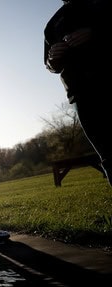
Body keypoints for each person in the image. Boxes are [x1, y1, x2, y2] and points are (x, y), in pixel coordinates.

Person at [44, 0, 111, 186]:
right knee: (106, 154)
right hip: (81, 93)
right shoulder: (52, 24)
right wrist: (52, 58)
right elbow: (50, 65)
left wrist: (94, 33)